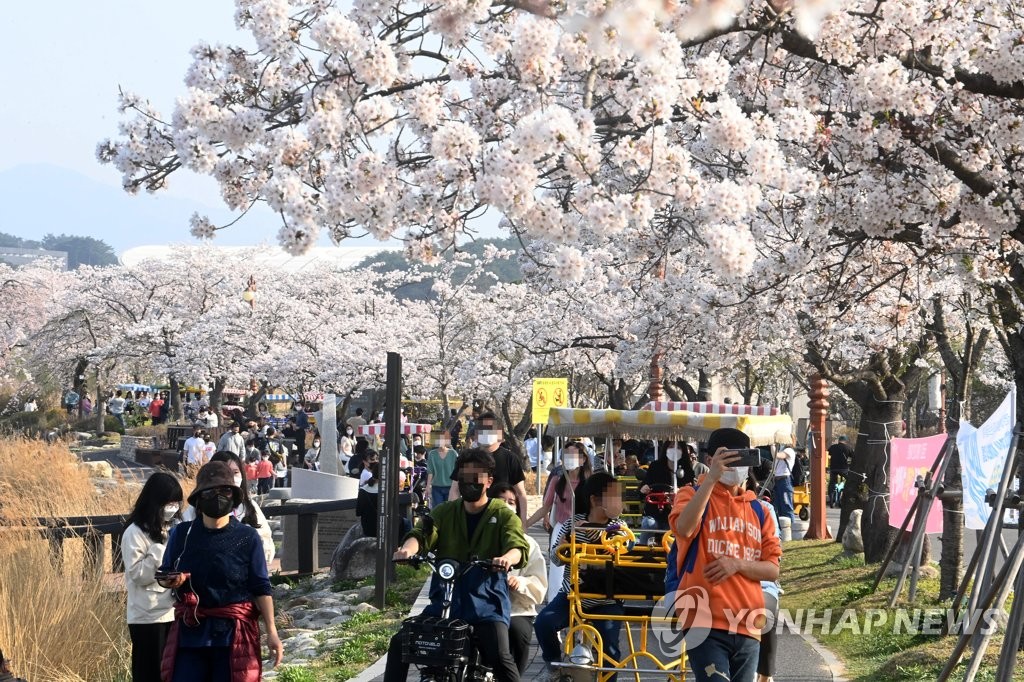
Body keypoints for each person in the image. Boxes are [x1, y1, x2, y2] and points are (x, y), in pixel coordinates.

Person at [384, 448, 529, 682]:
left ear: (488, 481)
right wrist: (407, 550)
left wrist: (506, 559)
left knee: (501, 657)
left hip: (486, 604)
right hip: (445, 603)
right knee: (400, 643)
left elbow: (517, 547)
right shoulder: (444, 511)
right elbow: (422, 533)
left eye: (475, 479)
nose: (468, 484)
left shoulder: (503, 514)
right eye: (463, 478)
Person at [668, 428, 782, 682]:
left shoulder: (759, 509)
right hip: (703, 621)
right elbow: (684, 528)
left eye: (742, 459)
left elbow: (772, 569)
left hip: (748, 622)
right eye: (728, 458)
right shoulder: (690, 494)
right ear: (710, 461)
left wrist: (737, 564)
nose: (736, 466)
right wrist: (710, 480)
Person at [157, 462, 283, 680]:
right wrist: (172, 581)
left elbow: (261, 586)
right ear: (198, 499)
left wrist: (272, 631)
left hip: (233, 634)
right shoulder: (181, 534)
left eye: (225, 490)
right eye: (210, 491)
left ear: (234, 496)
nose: (218, 496)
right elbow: (165, 573)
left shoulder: (247, 537)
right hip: (191, 632)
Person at [534, 472, 627, 681]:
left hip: (607, 598)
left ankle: (608, 678)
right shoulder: (572, 524)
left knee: (609, 644)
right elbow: (556, 559)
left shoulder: (620, 528)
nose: (618, 502)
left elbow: (624, 550)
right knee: (543, 623)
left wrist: (606, 541)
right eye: (613, 497)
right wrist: (569, 539)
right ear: (595, 500)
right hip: (573, 595)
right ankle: (554, 666)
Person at [122, 472, 184, 681]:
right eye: (169, 502)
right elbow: (137, 574)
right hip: (146, 616)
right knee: (149, 673)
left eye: (176, 502)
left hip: (171, 611)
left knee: (171, 672)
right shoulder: (135, 532)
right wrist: (158, 552)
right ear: (156, 501)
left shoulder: (171, 529)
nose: (173, 507)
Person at [181, 451, 275, 566]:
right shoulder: (194, 509)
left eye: (235, 472)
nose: (230, 478)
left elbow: (266, 540)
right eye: (224, 473)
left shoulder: (249, 507)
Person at [491, 482, 547, 675]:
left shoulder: (528, 543)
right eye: (501, 500)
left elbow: (539, 585)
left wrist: (520, 583)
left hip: (516, 609)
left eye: (511, 502)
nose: (506, 505)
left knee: (518, 633)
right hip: (482, 607)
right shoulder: (480, 537)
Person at [449, 411, 527, 523]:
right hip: (472, 516)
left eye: (490, 429)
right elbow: (455, 490)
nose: (486, 432)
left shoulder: (510, 459)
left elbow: (520, 493)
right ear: (475, 434)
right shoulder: (467, 458)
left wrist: (523, 521)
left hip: (502, 518)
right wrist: (453, 518)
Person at [425, 432, 457, 508]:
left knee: (450, 509)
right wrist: (428, 486)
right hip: (436, 487)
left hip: (450, 487)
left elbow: (457, 471)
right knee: (437, 509)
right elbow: (430, 472)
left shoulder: (453, 453)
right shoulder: (432, 454)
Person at [771, 447, 797, 524]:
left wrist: (772, 445)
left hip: (785, 481)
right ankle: (781, 532)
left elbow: (776, 455)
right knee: (777, 509)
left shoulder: (789, 450)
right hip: (777, 481)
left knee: (786, 508)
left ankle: (791, 531)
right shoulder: (780, 449)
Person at [827, 435, 853, 508]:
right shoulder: (848, 448)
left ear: (839, 440)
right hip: (843, 469)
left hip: (833, 468)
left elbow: (827, 454)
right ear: (845, 441)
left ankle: (831, 499)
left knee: (832, 482)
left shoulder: (833, 447)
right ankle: (846, 494)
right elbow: (853, 457)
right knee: (849, 480)